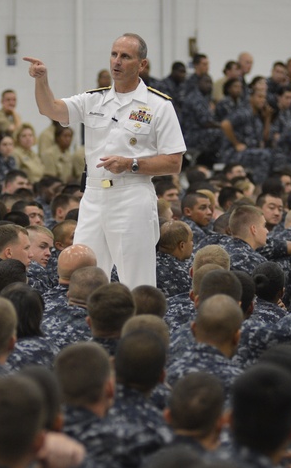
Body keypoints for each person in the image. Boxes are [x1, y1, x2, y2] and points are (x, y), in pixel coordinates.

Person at [25, 33, 186, 288]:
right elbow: (50, 109)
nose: (117, 62)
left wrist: (131, 164)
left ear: (141, 64)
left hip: (131, 195)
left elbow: (174, 162)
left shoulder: (159, 105)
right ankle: (85, 326)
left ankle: (138, 326)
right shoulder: (94, 99)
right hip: (93, 196)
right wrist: (42, 81)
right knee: (83, 274)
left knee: (136, 280)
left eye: (125, 56)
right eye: (114, 54)